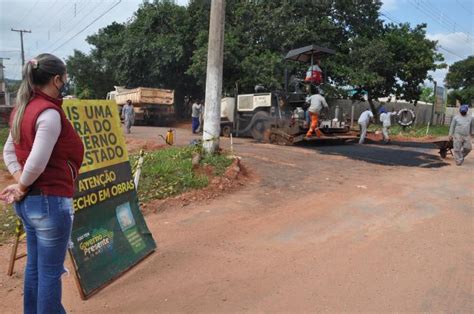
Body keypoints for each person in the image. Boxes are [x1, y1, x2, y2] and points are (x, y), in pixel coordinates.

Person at [0, 53, 84, 313]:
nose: (66, 81)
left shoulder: (22, 110)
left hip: (29, 205)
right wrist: (23, 185)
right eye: (65, 77)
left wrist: (20, 184)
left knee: (35, 268)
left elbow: (9, 153)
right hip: (50, 204)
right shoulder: (49, 114)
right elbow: (36, 163)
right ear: (57, 79)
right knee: (49, 273)